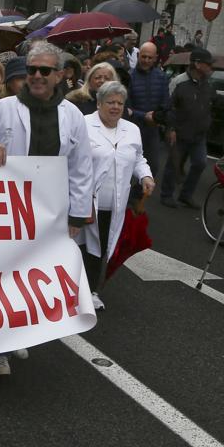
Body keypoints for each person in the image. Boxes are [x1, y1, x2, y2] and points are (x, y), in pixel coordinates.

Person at [0, 41, 92, 376]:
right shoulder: (2, 108)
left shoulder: (72, 117)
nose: (36, 76)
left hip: (48, 213)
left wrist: (78, 215)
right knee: (4, 275)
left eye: (44, 71)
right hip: (5, 210)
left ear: (60, 76)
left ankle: (17, 332)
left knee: (32, 277)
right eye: (31, 70)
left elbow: (81, 168)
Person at [80, 82, 155, 311]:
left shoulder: (131, 130)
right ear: (99, 103)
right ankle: (70, 289)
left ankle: (90, 291)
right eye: (110, 102)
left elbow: (139, 158)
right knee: (79, 247)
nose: (115, 107)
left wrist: (145, 176)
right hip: (84, 202)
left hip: (114, 206)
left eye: (119, 103)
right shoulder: (83, 125)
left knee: (101, 249)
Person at [160, 46, 215, 208]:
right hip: (180, 132)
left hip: (199, 134)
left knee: (200, 163)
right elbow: (168, 107)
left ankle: (186, 195)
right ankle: (166, 195)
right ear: (198, 64)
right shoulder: (179, 82)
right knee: (173, 165)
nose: (211, 67)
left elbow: (208, 104)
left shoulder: (206, 83)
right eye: (208, 64)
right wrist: (171, 129)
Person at [126, 42, 170, 179]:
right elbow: (127, 106)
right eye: (143, 57)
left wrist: (156, 117)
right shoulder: (130, 76)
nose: (146, 60)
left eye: (150, 58)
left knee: (152, 167)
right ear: (138, 56)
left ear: (156, 58)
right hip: (132, 127)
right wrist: (144, 116)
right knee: (127, 167)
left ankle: (136, 197)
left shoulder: (161, 77)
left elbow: (166, 103)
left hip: (152, 129)